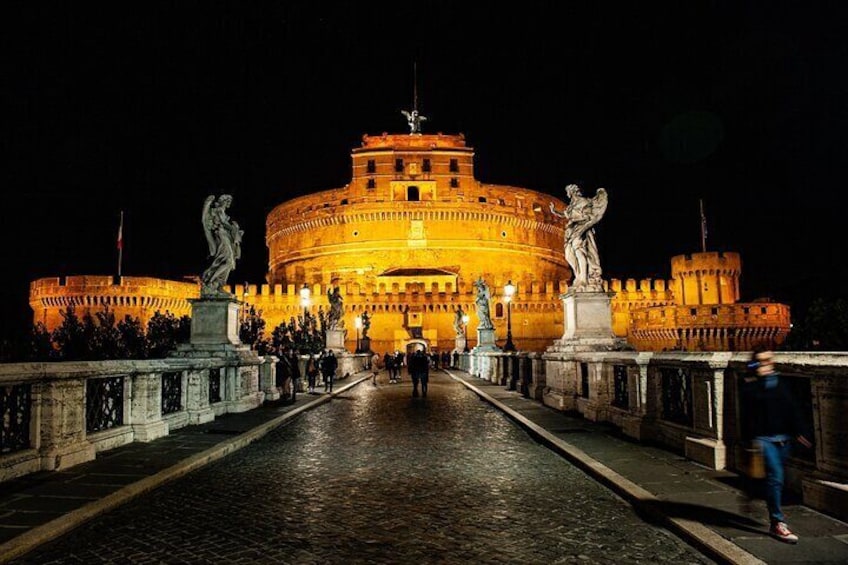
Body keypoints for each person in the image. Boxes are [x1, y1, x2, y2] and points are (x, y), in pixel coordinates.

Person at [740, 346, 812, 544]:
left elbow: (792, 409)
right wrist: (758, 378)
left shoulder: (781, 382)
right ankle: (777, 522)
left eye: (769, 360)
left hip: (784, 438)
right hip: (763, 439)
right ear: (755, 363)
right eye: (761, 361)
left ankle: (751, 493)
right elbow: (746, 415)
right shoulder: (751, 385)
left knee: (775, 478)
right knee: (776, 477)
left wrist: (800, 432)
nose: (766, 365)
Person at [549, 184, 608, 292]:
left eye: (569, 191)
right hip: (571, 230)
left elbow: (590, 216)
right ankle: (579, 275)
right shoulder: (571, 205)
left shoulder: (584, 201)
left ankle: (584, 279)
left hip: (581, 228)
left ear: (572, 192)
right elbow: (566, 215)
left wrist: (583, 221)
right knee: (569, 255)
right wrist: (554, 211)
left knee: (580, 252)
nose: (568, 194)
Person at [201, 194, 244, 296]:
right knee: (229, 262)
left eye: (229, 201)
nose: (228, 203)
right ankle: (210, 282)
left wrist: (235, 231)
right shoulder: (216, 211)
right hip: (222, 237)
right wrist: (207, 204)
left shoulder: (224, 214)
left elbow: (228, 227)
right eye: (226, 201)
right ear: (221, 202)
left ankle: (219, 285)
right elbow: (204, 220)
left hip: (228, 238)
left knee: (229, 263)